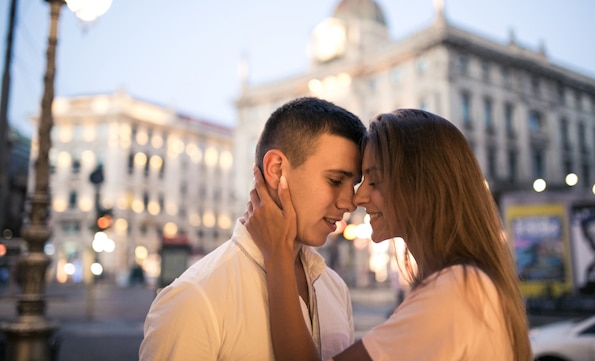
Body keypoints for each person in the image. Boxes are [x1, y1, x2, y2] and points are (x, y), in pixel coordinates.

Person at [245, 109, 532, 361]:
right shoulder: (466, 282)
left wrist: (278, 255)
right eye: (339, 180)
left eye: (375, 180)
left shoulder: (458, 290)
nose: (357, 198)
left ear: (423, 188)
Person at [139, 97, 366, 360]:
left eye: (354, 185)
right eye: (335, 180)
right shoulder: (194, 298)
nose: (349, 203)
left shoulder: (335, 288)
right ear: (276, 169)